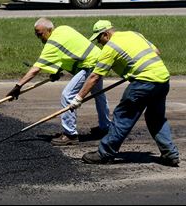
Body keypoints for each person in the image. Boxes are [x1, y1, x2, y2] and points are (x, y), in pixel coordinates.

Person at [69, 20, 180, 167]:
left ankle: (105, 154)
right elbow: (156, 52)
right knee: (156, 118)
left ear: (106, 34)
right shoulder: (134, 34)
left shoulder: (110, 47)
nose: (99, 43)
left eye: (99, 39)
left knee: (123, 117)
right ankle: (170, 155)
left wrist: (78, 98)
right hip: (162, 80)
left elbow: (95, 76)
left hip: (143, 83)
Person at [7, 17, 112, 146]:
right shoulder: (63, 29)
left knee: (67, 95)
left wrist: (18, 86)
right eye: (36, 34)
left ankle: (70, 134)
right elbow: (69, 52)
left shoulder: (52, 43)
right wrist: (56, 71)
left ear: (49, 30)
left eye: (40, 34)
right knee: (98, 95)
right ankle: (106, 128)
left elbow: (35, 69)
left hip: (90, 66)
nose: (39, 38)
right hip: (98, 60)